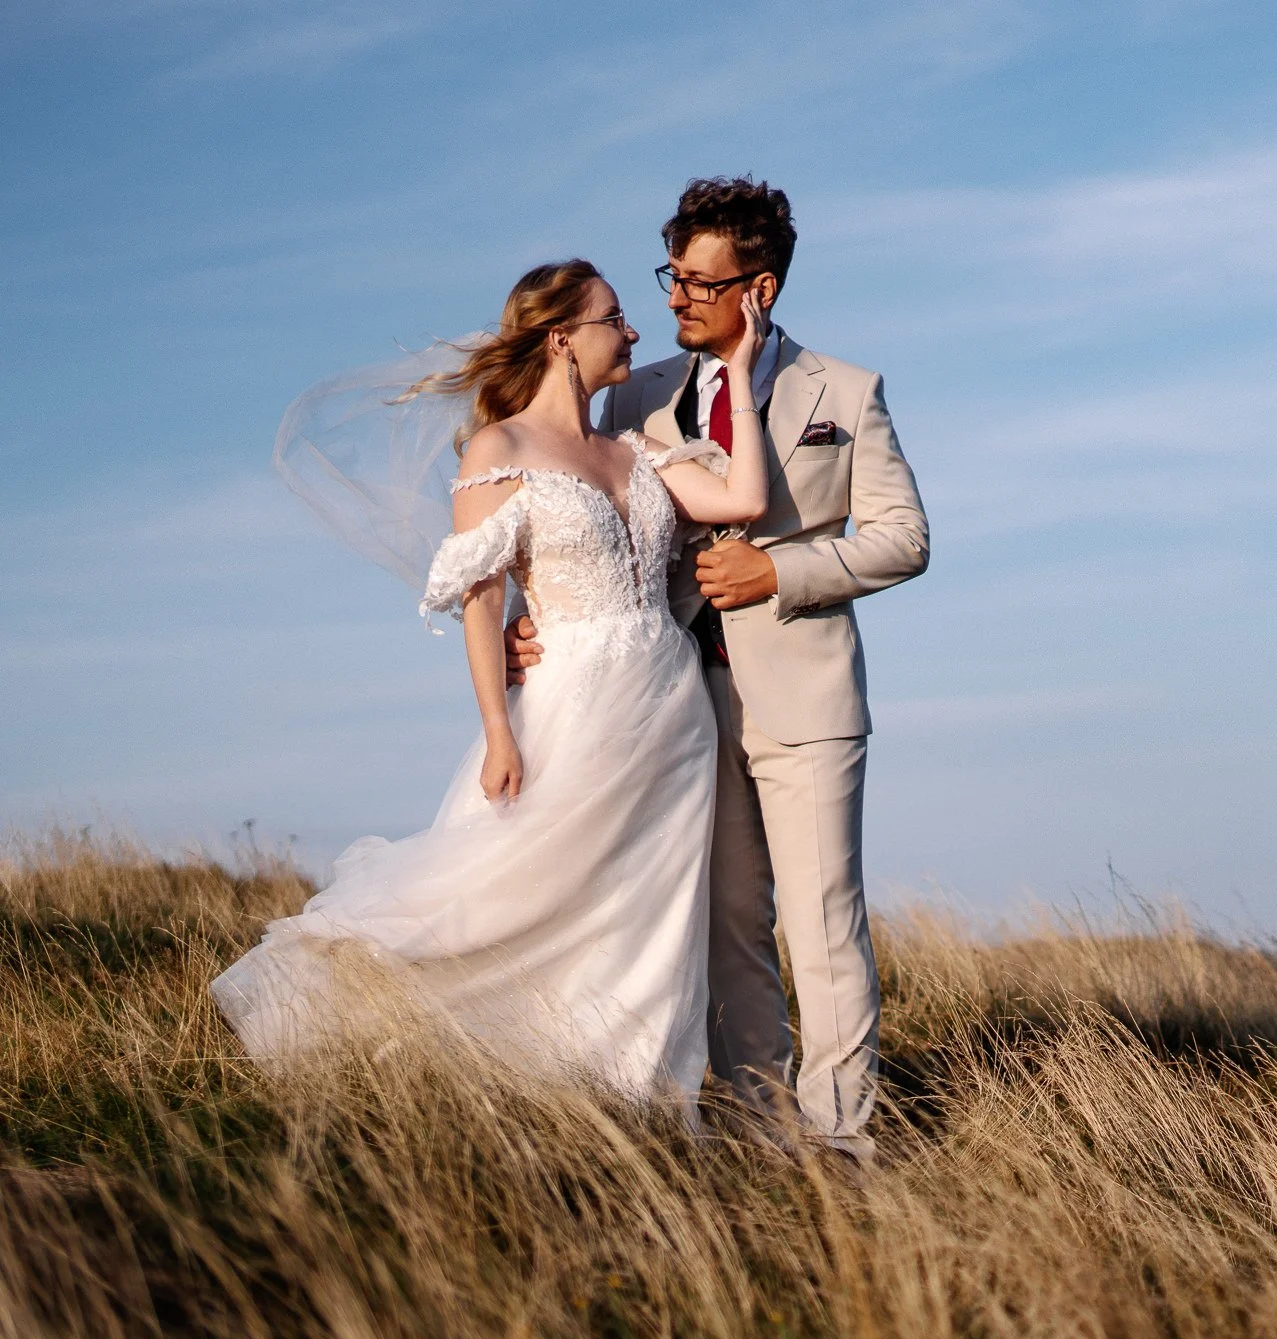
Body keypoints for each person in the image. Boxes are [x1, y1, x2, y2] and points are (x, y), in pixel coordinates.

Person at [214, 262, 771, 1111]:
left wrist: (740, 367)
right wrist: (498, 732)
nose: (632, 332)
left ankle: (632, 1097)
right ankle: (403, 1034)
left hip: (672, 711)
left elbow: (745, 497)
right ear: (562, 338)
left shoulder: (639, 451)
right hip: (571, 704)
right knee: (518, 888)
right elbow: (481, 603)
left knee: (646, 911)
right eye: (614, 318)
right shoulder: (498, 450)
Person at [510, 177, 929, 1165]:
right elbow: (568, 506)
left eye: (701, 282)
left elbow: (905, 537)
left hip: (806, 695)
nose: (677, 298)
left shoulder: (844, 392)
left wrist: (779, 570)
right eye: (671, 277)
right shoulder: (637, 393)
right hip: (674, 701)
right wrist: (540, 623)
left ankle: (841, 1140)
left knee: (823, 919)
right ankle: (761, 1128)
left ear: (760, 288)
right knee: (727, 920)